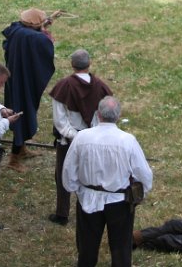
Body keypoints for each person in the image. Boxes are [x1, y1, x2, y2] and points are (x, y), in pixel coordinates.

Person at [62, 96, 153, 267]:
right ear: (118, 116)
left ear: (98, 114)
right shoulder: (127, 141)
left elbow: (68, 170)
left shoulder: (82, 137)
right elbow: (144, 174)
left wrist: (76, 189)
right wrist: (142, 192)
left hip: (88, 200)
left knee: (87, 248)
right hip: (119, 203)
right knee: (121, 249)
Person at [48, 49, 113, 226]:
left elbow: (60, 121)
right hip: (94, 140)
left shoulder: (63, 86)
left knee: (63, 174)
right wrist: (93, 134)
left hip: (69, 141)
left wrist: (75, 136)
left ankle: (62, 214)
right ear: (89, 64)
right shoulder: (100, 87)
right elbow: (105, 115)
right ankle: (91, 209)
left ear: (72, 65)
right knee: (92, 174)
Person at [2, 7, 56, 170]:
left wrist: (43, 25)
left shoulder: (16, 30)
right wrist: (44, 31)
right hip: (23, 81)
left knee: (22, 112)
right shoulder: (32, 37)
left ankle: (22, 150)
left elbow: (32, 34)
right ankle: (13, 159)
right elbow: (45, 43)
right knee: (22, 115)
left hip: (16, 77)